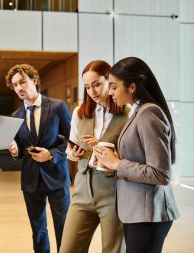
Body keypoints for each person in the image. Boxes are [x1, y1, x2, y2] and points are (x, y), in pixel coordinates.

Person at [93, 57, 180, 253]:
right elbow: (140, 155)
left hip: (148, 215)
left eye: (114, 87)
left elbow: (161, 173)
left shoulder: (149, 113)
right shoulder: (138, 110)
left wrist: (118, 164)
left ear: (132, 86)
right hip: (138, 212)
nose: (111, 92)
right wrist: (113, 157)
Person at [60, 60, 128, 253]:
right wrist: (73, 153)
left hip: (113, 193)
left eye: (96, 84)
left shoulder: (128, 115)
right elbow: (70, 150)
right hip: (81, 190)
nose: (92, 91)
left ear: (110, 80)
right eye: (87, 87)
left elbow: (133, 155)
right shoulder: (80, 113)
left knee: (113, 250)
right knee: (68, 249)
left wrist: (102, 148)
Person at [6, 63, 71, 253]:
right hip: (31, 180)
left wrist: (51, 154)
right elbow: (19, 153)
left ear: (34, 80)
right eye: (15, 85)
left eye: (22, 82)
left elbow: (70, 141)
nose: (19, 88)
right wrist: (14, 150)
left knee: (63, 227)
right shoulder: (15, 116)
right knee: (38, 230)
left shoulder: (58, 107)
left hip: (57, 177)